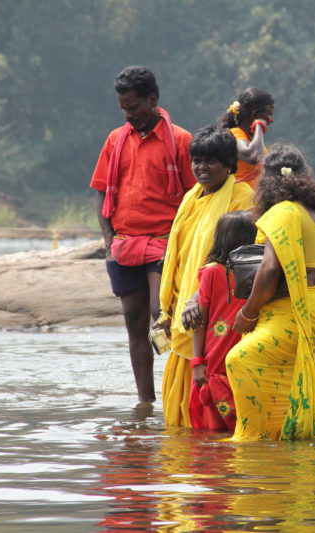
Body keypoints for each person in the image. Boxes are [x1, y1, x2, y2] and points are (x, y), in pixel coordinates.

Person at [227, 144, 315, 441]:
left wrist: (247, 313)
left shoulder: (282, 213)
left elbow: (270, 269)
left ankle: (257, 443)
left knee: (239, 360)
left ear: (267, 180)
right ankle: (292, 443)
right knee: (291, 381)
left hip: (291, 315)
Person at [90, 65, 196, 406]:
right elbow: (101, 192)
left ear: (152, 100)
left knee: (159, 314)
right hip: (124, 243)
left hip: (164, 241)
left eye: (133, 108)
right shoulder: (115, 139)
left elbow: (194, 197)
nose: (128, 114)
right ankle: (146, 402)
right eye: (123, 108)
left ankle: (180, 389)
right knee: (135, 323)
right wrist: (108, 239)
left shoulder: (180, 140)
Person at [157, 126, 255, 427]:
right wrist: (166, 306)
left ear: (228, 164)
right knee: (180, 409)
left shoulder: (243, 198)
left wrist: (199, 298)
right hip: (183, 311)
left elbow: (244, 259)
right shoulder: (190, 198)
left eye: (210, 161)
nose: (201, 167)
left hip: (217, 312)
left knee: (213, 401)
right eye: (196, 160)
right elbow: (176, 255)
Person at [188, 211, 257, 431]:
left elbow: (200, 322)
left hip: (220, 354)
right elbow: (200, 319)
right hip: (227, 356)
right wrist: (197, 363)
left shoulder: (214, 271)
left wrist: (198, 362)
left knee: (214, 425)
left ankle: (214, 462)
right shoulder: (215, 272)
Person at [219, 88, 275, 189]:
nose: (271, 120)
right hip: (239, 201)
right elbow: (252, 156)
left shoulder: (253, 140)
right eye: (269, 114)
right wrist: (259, 124)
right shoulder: (234, 134)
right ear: (255, 115)